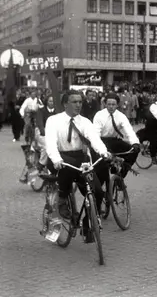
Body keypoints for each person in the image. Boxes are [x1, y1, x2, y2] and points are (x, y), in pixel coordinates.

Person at [45, 90, 112, 243]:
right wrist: (56, 159)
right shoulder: (53, 120)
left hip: (80, 159)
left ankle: (88, 225)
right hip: (60, 157)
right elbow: (50, 143)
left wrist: (103, 152)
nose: (78, 105)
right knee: (66, 167)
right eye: (74, 102)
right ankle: (62, 197)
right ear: (65, 104)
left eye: (80, 102)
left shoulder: (85, 122)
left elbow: (94, 139)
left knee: (97, 192)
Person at [92, 93, 141, 181]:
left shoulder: (121, 116)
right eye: (109, 104)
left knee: (133, 151)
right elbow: (95, 134)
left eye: (113, 104)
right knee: (102, 169)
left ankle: (120, 176)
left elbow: (129, 130)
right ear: (105, 104)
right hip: (101, 141)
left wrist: (135, 143)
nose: (111, 107)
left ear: (117, 105)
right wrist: (101, 149)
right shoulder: (99, 115)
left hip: (115, 141)